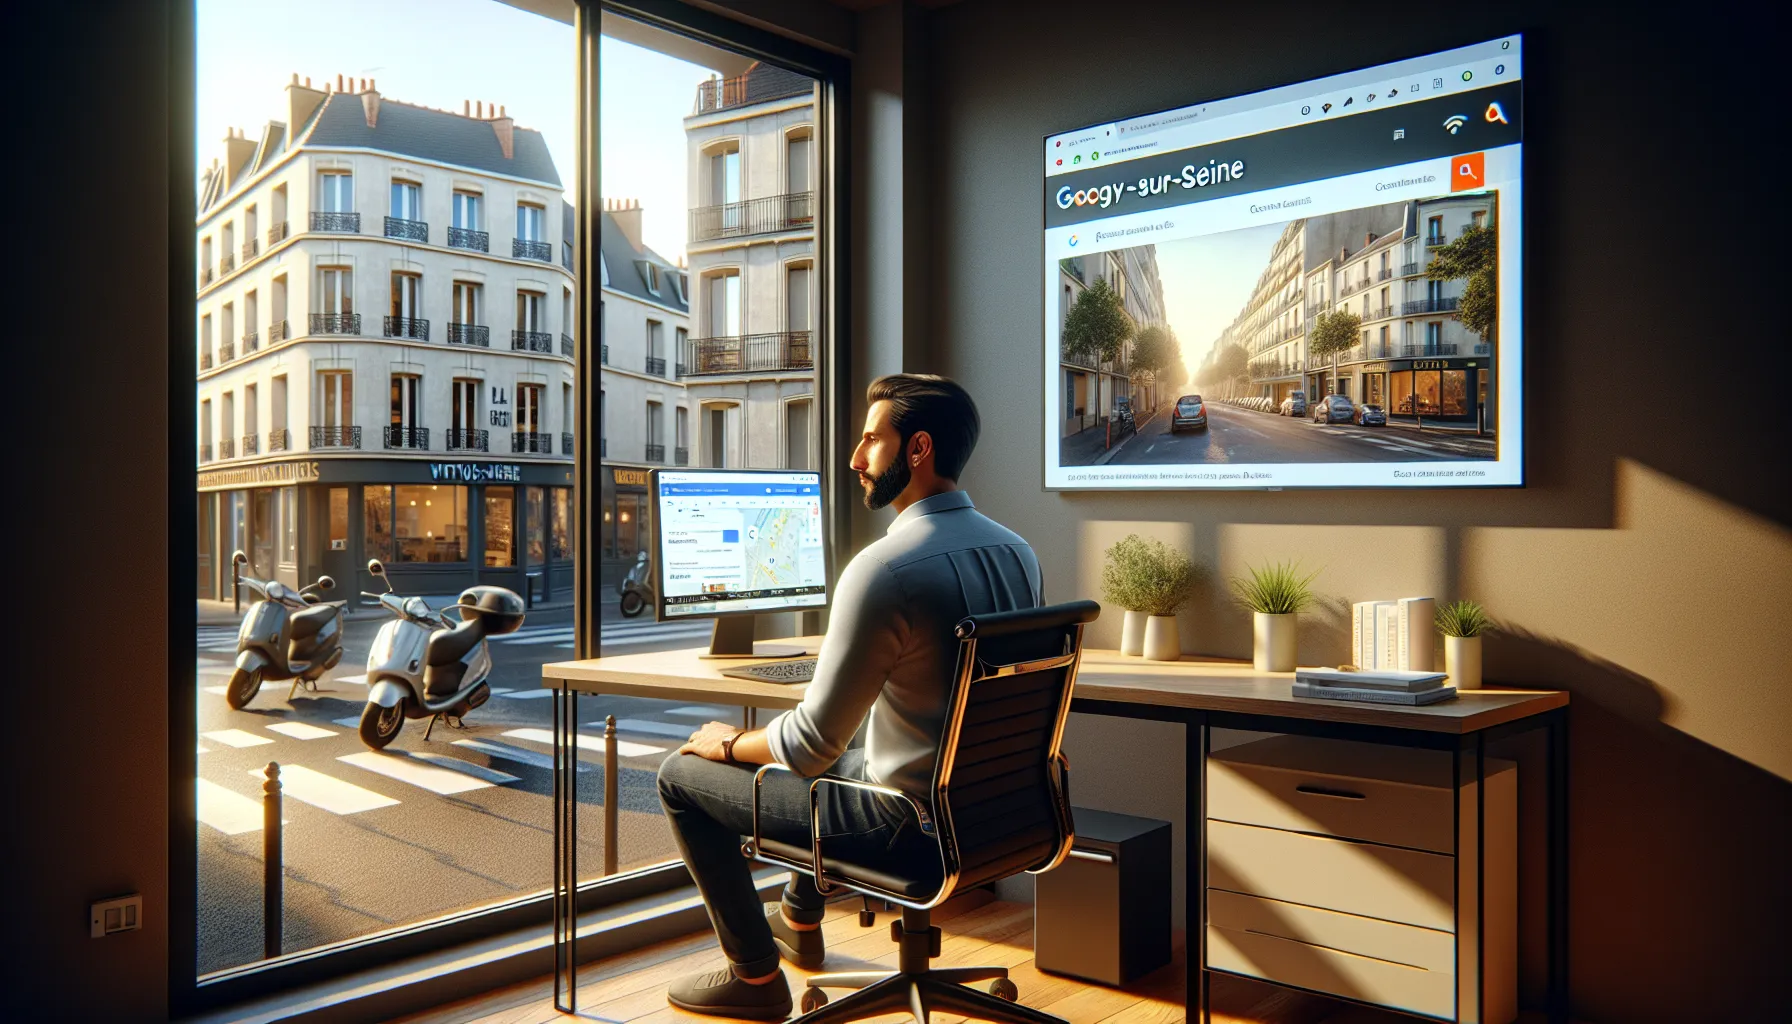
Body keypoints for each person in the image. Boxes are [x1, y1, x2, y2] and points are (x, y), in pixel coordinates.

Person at [657, 374, 1043, 1019]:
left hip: (905, 825)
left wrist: (726, 744)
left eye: (871, 440)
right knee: (859, 739)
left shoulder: (885, 568)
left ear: (917, 449)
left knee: (679, 774)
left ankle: (754, 982)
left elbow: (808, 748)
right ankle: (800, 922)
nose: (855, 459)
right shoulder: (1017, 551)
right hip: (996, 812)